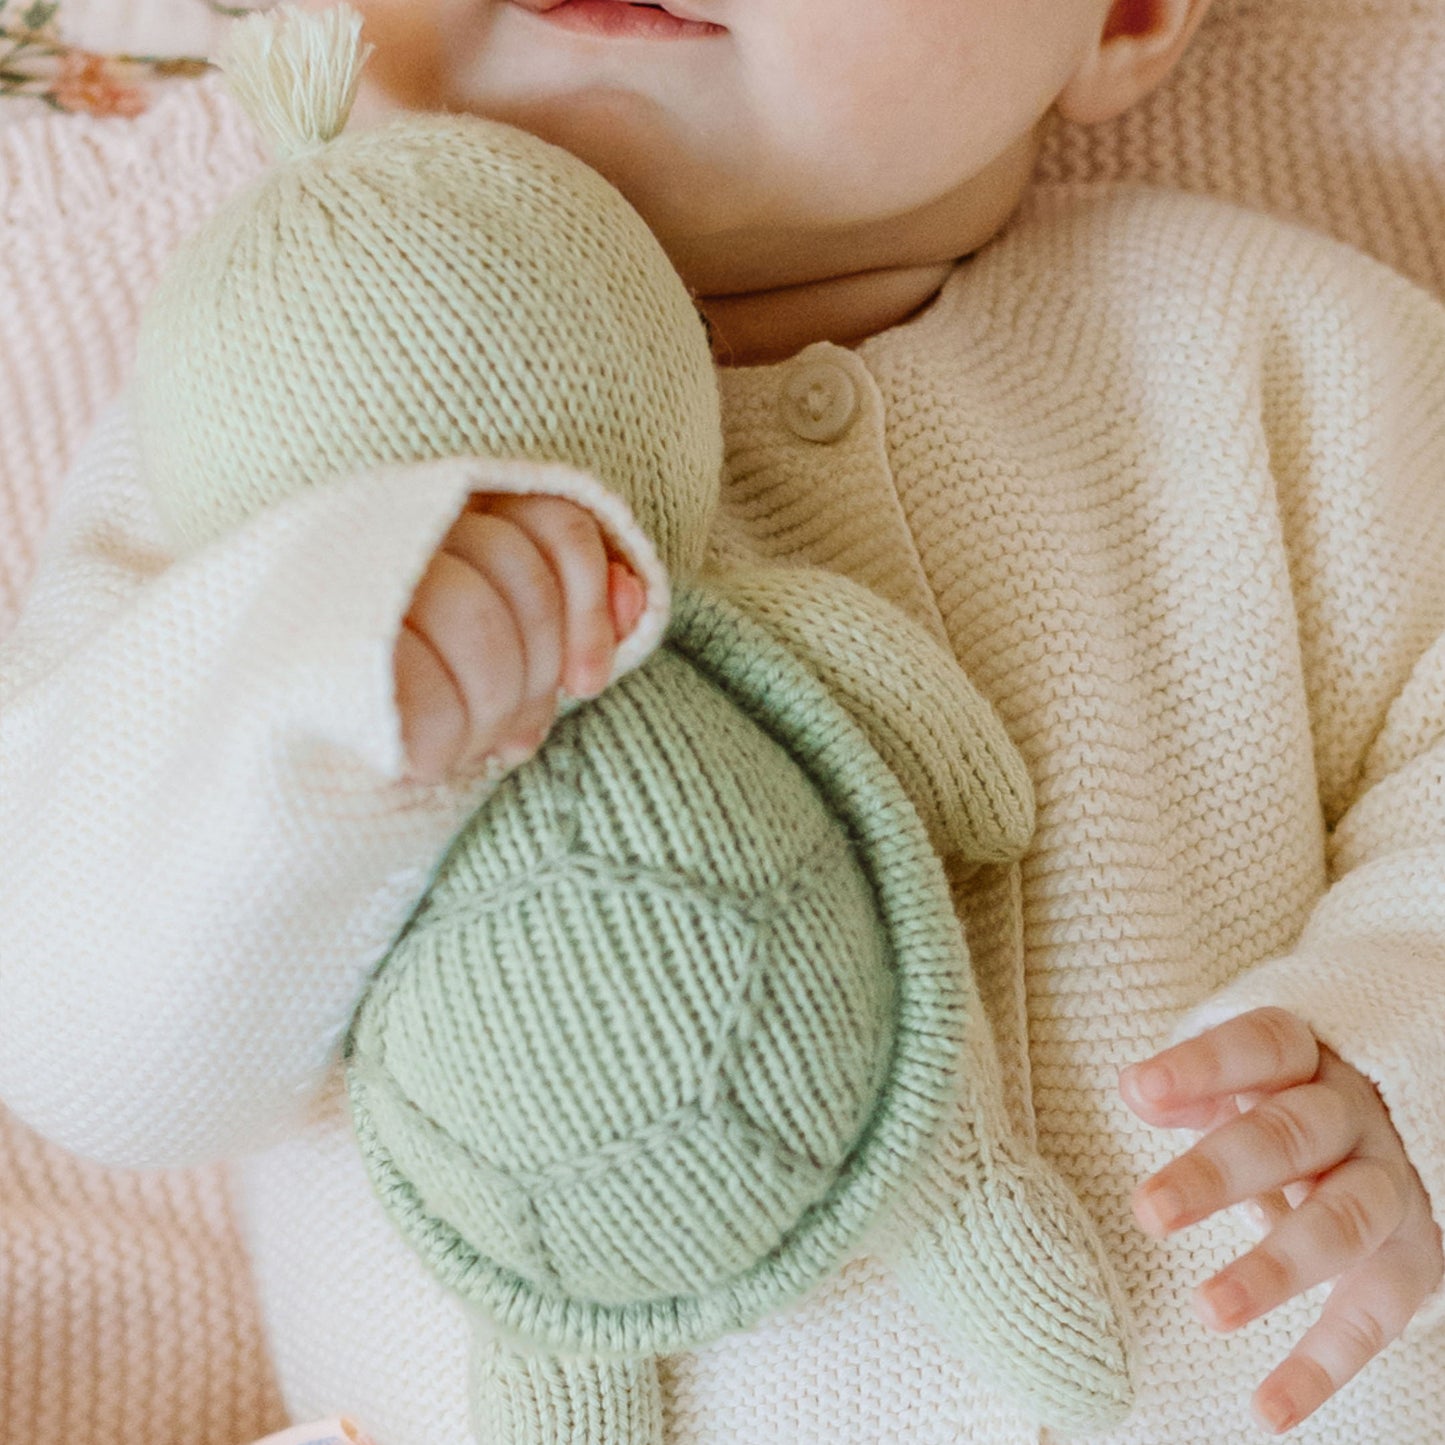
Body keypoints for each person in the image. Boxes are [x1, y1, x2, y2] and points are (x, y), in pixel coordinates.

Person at [1, 1, 1442, 1442]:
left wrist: (1396, 1057)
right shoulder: (258, 429)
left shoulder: (1270, 354)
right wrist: (317, 688)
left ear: (1121, 16)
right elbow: (79, 1043)